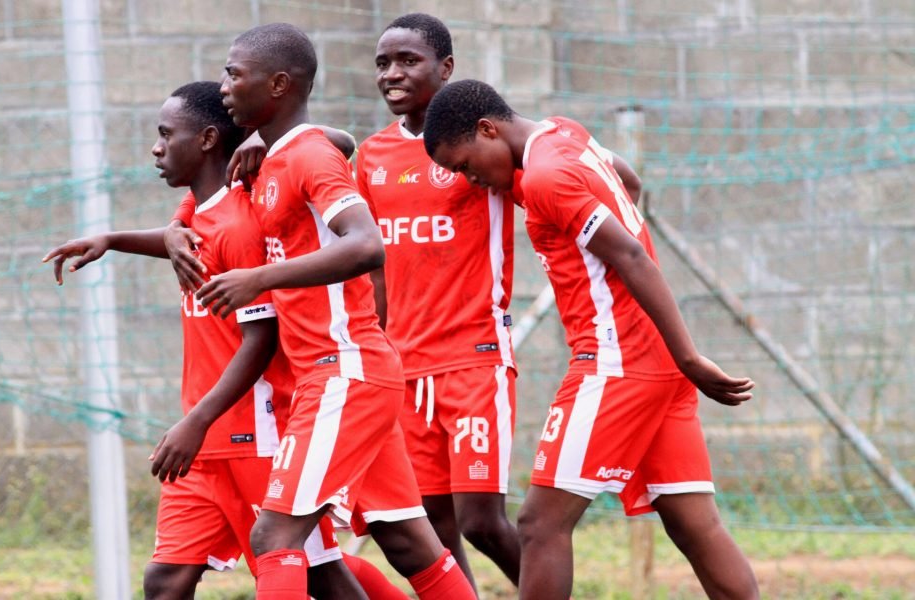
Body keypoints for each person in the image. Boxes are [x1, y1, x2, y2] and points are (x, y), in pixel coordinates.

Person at [42, 81, 400, 600]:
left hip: (253, 431)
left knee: (317, 569)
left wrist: (197, 421)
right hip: (204, 440)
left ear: (208, 139)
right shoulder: (194, 215)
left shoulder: (243, 219)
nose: (155, 147)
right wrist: (114, 240)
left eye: (166, 134)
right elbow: (192, 227)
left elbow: (261, 338)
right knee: (165, 579)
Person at [422, 79, 760, 600]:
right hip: (655, 365)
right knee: (693, 524)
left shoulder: (545, 178)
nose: (472, 180)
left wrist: (690, 356)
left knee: (538, 525)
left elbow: (630, 256)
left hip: (615, 361)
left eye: (466, 164)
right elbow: (627, 178)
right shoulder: (564, 133)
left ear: (488, 129)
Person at [195, 23, 475, 599]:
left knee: (274, 537)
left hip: (344, 370)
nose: (224, 85)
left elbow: (366, 244)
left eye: (233, 73)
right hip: (341, 374)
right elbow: (338, 140)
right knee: (407, 542)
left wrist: (259, 279)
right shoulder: (276, 158)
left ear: (276, 84)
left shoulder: (307, 158)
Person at [354, 13, 524, 588]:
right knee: (432, 526)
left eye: (408, 61)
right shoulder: (372, 158)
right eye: (383, 63)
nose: (393, 74)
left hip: (473, 361)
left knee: (481, 521)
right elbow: (370, 265)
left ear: (445, 68)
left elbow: (582, 171)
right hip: (404, 369)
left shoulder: (484, 142)